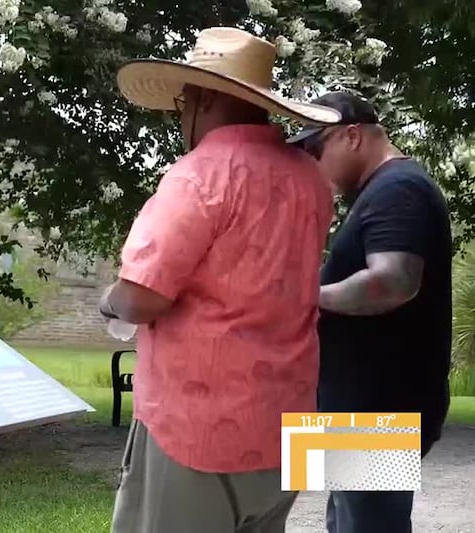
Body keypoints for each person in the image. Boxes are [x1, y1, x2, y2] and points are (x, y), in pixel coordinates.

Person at [99, 27, 341, 532]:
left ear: (204, 98)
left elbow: (142, 298)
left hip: (197, 428)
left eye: (184, 100)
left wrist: (110, 300)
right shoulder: (309, 181)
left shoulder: (199, 175)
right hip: (284, 426)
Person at [287, 91, 453, 533]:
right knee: (346, 524)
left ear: (353, 136)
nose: (311, 163)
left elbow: (393, 281)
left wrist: (301, 297)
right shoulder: (380, 191)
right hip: (356, 406)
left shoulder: (399, 188)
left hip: (378, 409)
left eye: (315, 149)